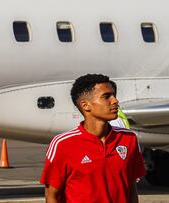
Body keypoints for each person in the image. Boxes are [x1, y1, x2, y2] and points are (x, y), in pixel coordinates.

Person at [40, 74, 145, 203]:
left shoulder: (129, 139)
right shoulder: (62, 144)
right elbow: (52, 196)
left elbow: (132, 190)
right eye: (106, 97)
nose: (115, 101)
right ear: (85, 105)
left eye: (114, 95)